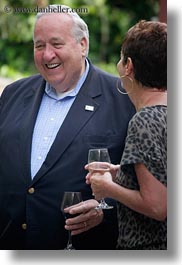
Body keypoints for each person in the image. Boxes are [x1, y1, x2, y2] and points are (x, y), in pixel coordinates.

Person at [0, 5, 135, 250]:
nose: (47, 54)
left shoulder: (123, 98)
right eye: (39, 46)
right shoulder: (12, 94)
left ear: (83, 45)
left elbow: (151, 187)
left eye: (56, 44)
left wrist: (107, 210)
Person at [86, 20, 167, 250]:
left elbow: (157, 207)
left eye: (121, 58)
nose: (118, 66)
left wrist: (107, 188)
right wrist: (121, 171)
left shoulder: (144, 120)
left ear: (129, 65)